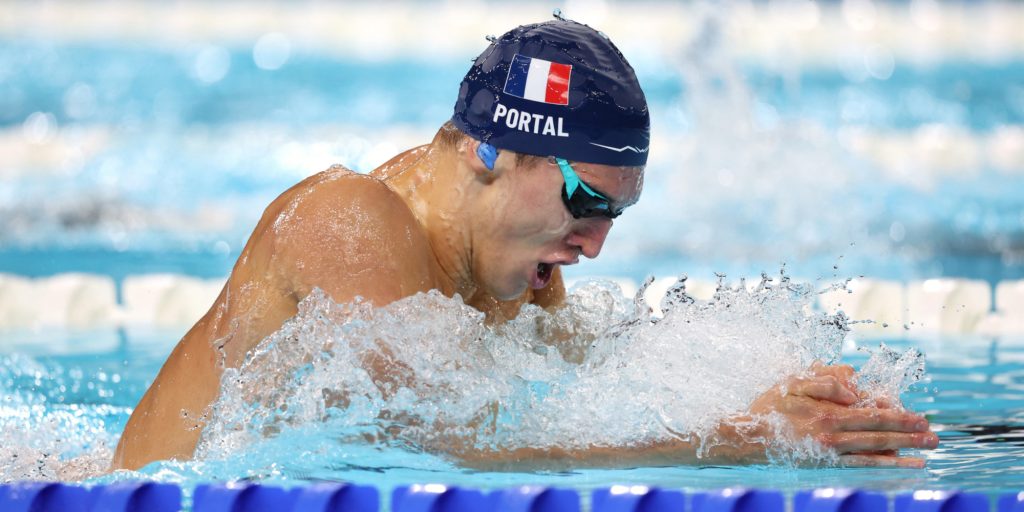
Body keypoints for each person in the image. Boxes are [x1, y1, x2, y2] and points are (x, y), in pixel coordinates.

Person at [110, 17, 938, 471]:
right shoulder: (348, 221)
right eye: (584, 200)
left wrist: (786, 402)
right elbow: (447, 443)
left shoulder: (514, 272)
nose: (597, 245)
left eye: (616, 214)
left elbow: (604, 385)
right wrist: (730, 438)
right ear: (493, 151)